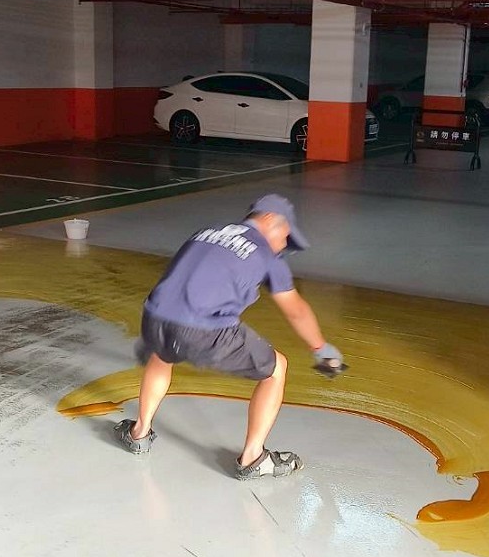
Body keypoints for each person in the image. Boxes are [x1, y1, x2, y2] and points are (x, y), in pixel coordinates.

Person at [115, 194, 343, 480]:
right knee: (276, 369)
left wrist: (156, 334)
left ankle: (139, 433)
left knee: (162, 356)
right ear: (270, 219)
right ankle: (253, 459)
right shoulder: (266, 254)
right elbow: (296, 311)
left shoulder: (207, 232)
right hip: (203, 330)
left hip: (154, 317)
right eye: (286, 236)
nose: (284, 246)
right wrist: (320, 348)